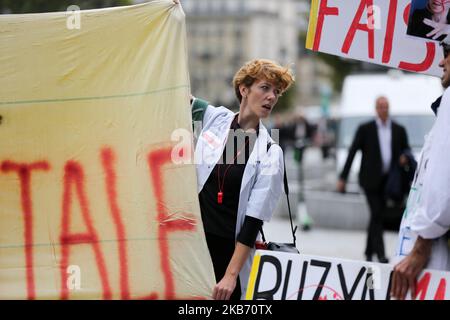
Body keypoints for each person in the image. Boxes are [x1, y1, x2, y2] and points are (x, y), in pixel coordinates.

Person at [190, 59, 294, 300]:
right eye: (265, 88)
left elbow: (253, 221)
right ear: (244, 89)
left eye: (276, 92)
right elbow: (179, 97)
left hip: (229, 255)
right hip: (194, 249)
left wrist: (231, 275)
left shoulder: (270, 152)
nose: (272, 97)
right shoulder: (216, 119)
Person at [391, 42, 450, 300]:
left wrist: (420, 247)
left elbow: (442, 183)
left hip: (434, 255)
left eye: (447, 53)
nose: (441, 62)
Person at [337, 96, 411, 263]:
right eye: (380, 107)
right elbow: (352, 152)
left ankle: (368, 252)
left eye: (386, 107)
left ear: (389, 108)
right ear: (376, 109)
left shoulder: (398, 129)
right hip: (370, 181)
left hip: (389, 181)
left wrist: (404, 157)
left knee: (376, 216)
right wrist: (343, 177)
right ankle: (381, 254)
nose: (383, 110)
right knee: (377, 214)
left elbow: (406, 150)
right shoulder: (366, 129)